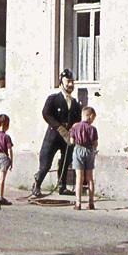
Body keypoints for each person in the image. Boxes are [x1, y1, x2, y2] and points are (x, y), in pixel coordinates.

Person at [31, 69, 82, 197]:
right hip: (53, 137)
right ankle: (37, 185)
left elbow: (78, 119)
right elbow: (46, 114)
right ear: (61, 84)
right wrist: (60, 128)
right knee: (45, 164)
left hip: (68, 139)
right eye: (67, 81)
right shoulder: (53, 99)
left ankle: (62, 186)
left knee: (65, 161)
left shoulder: (75, 103)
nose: (70, 84)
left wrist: (73, 131)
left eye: (72, 82)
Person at [69, 106, 98, 210]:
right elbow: (95, 143)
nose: (93, 120)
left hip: (78, 150)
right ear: (90, 116)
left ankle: (78, 203)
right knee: (90, 178)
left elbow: (72, 141)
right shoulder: (93, 129)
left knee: (79, 178)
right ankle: (91, 202)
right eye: (93, 118)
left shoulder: (75, 127)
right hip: (89, 151)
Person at [0, 113, 14, 207]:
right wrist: (11, 161)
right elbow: (9, 149)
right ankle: (1, 197)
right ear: (6, 125)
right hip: (3, 158)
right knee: (2, 179)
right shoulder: (6, 137)